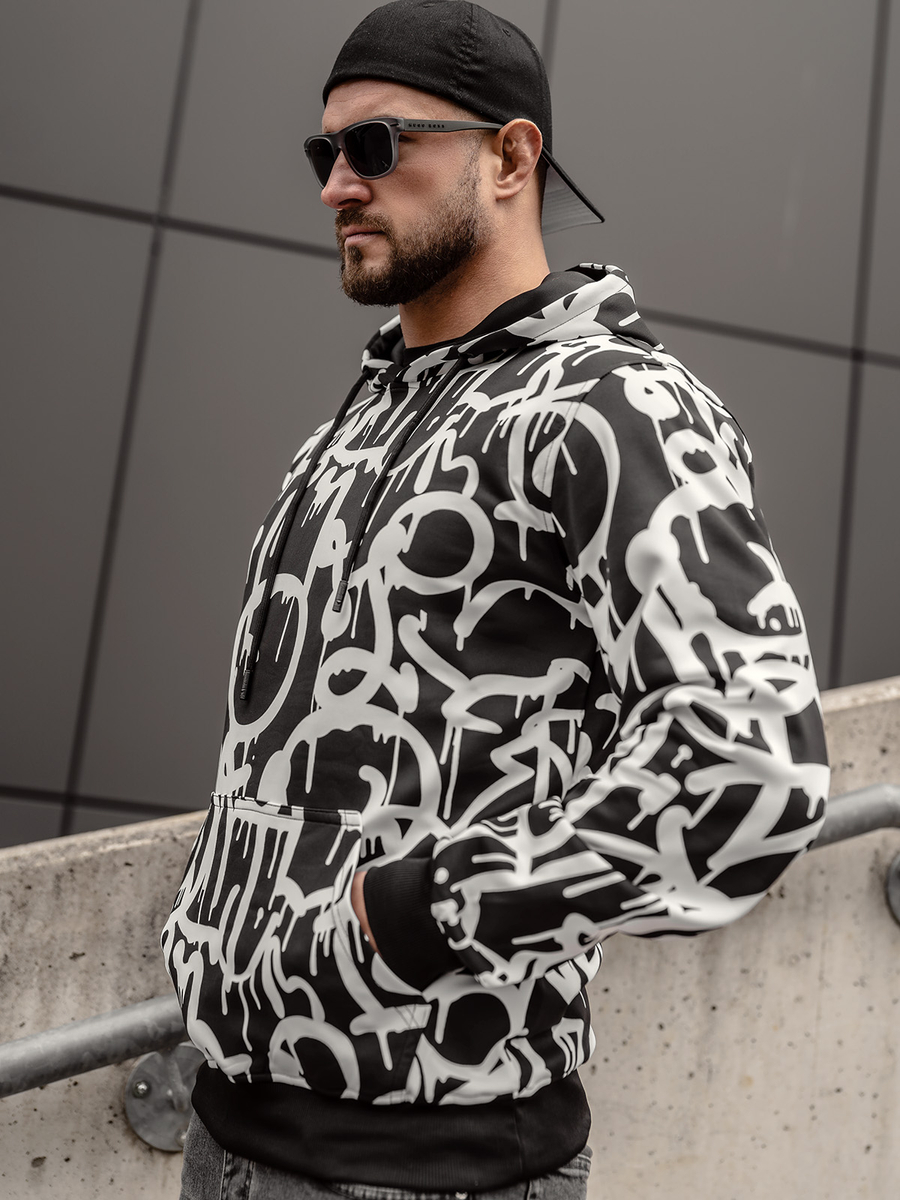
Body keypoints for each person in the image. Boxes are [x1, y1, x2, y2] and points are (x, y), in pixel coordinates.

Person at [162, 3, 830, 1197]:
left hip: (436, 1167)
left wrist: (419, 914)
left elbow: (747, 761)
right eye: (325, 153)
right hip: (228, 1131)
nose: (337, 186)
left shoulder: (616, 406)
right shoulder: (349, 429)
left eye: (376, 146)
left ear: (511, 158)